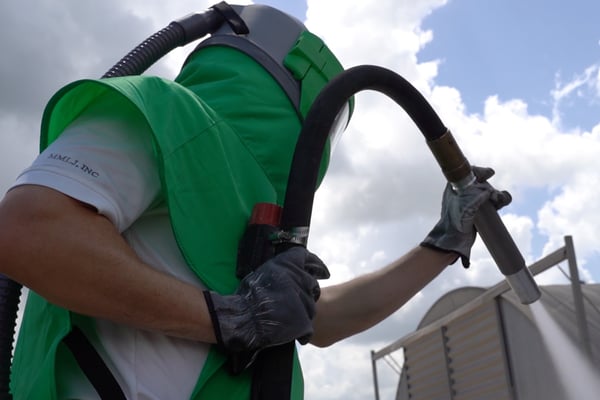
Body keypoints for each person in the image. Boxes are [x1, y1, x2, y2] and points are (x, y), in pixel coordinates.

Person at [0, 3, 510, 400]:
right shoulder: (167, 114)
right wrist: (232, 318)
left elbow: (319, 320)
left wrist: (440, 245)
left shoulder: (246, 198)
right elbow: (30, 229)